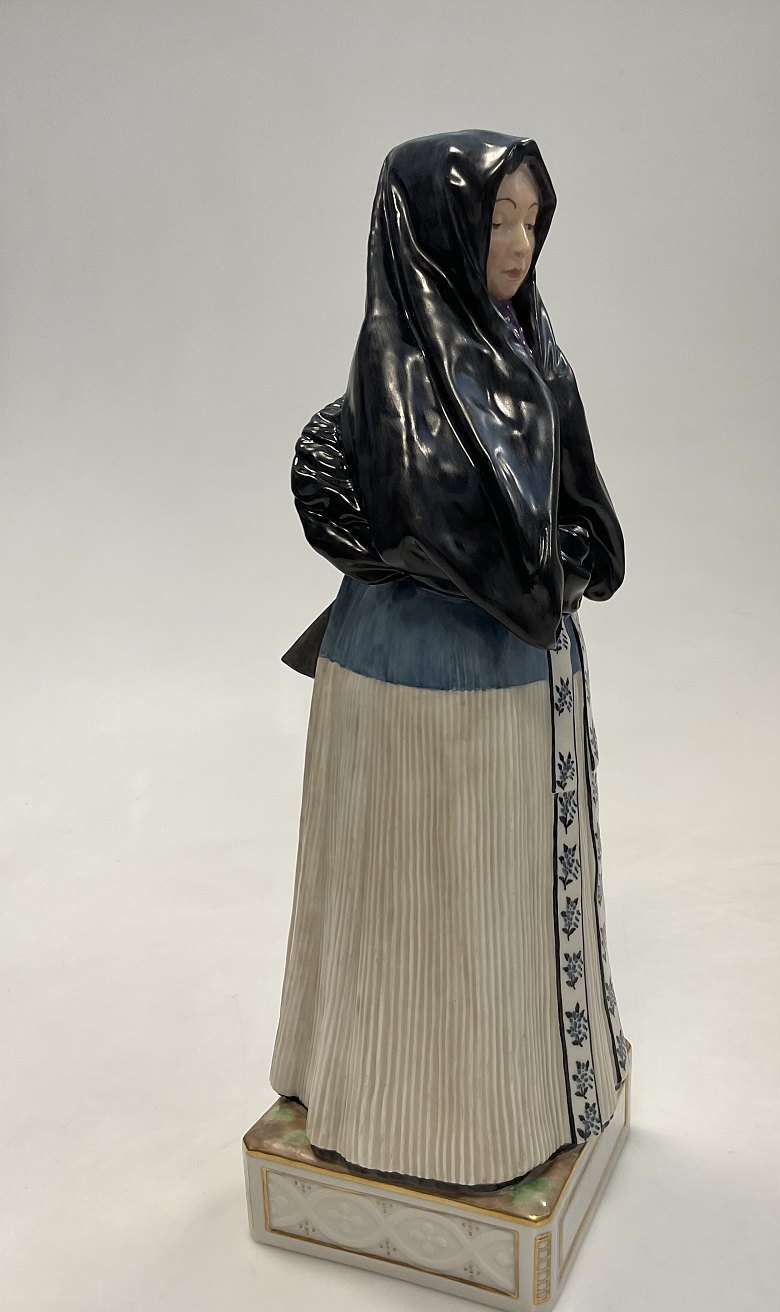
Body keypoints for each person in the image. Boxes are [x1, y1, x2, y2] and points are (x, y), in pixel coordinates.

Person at [270, 130, 629, 1192]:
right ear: (433, 232)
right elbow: (403, 519)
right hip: (413, 686)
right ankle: (408, 1117)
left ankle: (518, 1103)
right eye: (496, 219)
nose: (518, 244)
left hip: (520, 683)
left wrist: (560, 562)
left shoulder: (535, 354)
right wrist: (516, 564)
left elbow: (587, 530)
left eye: (531, 220)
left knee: (499, 907)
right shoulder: (393, 382)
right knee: (419, 895)